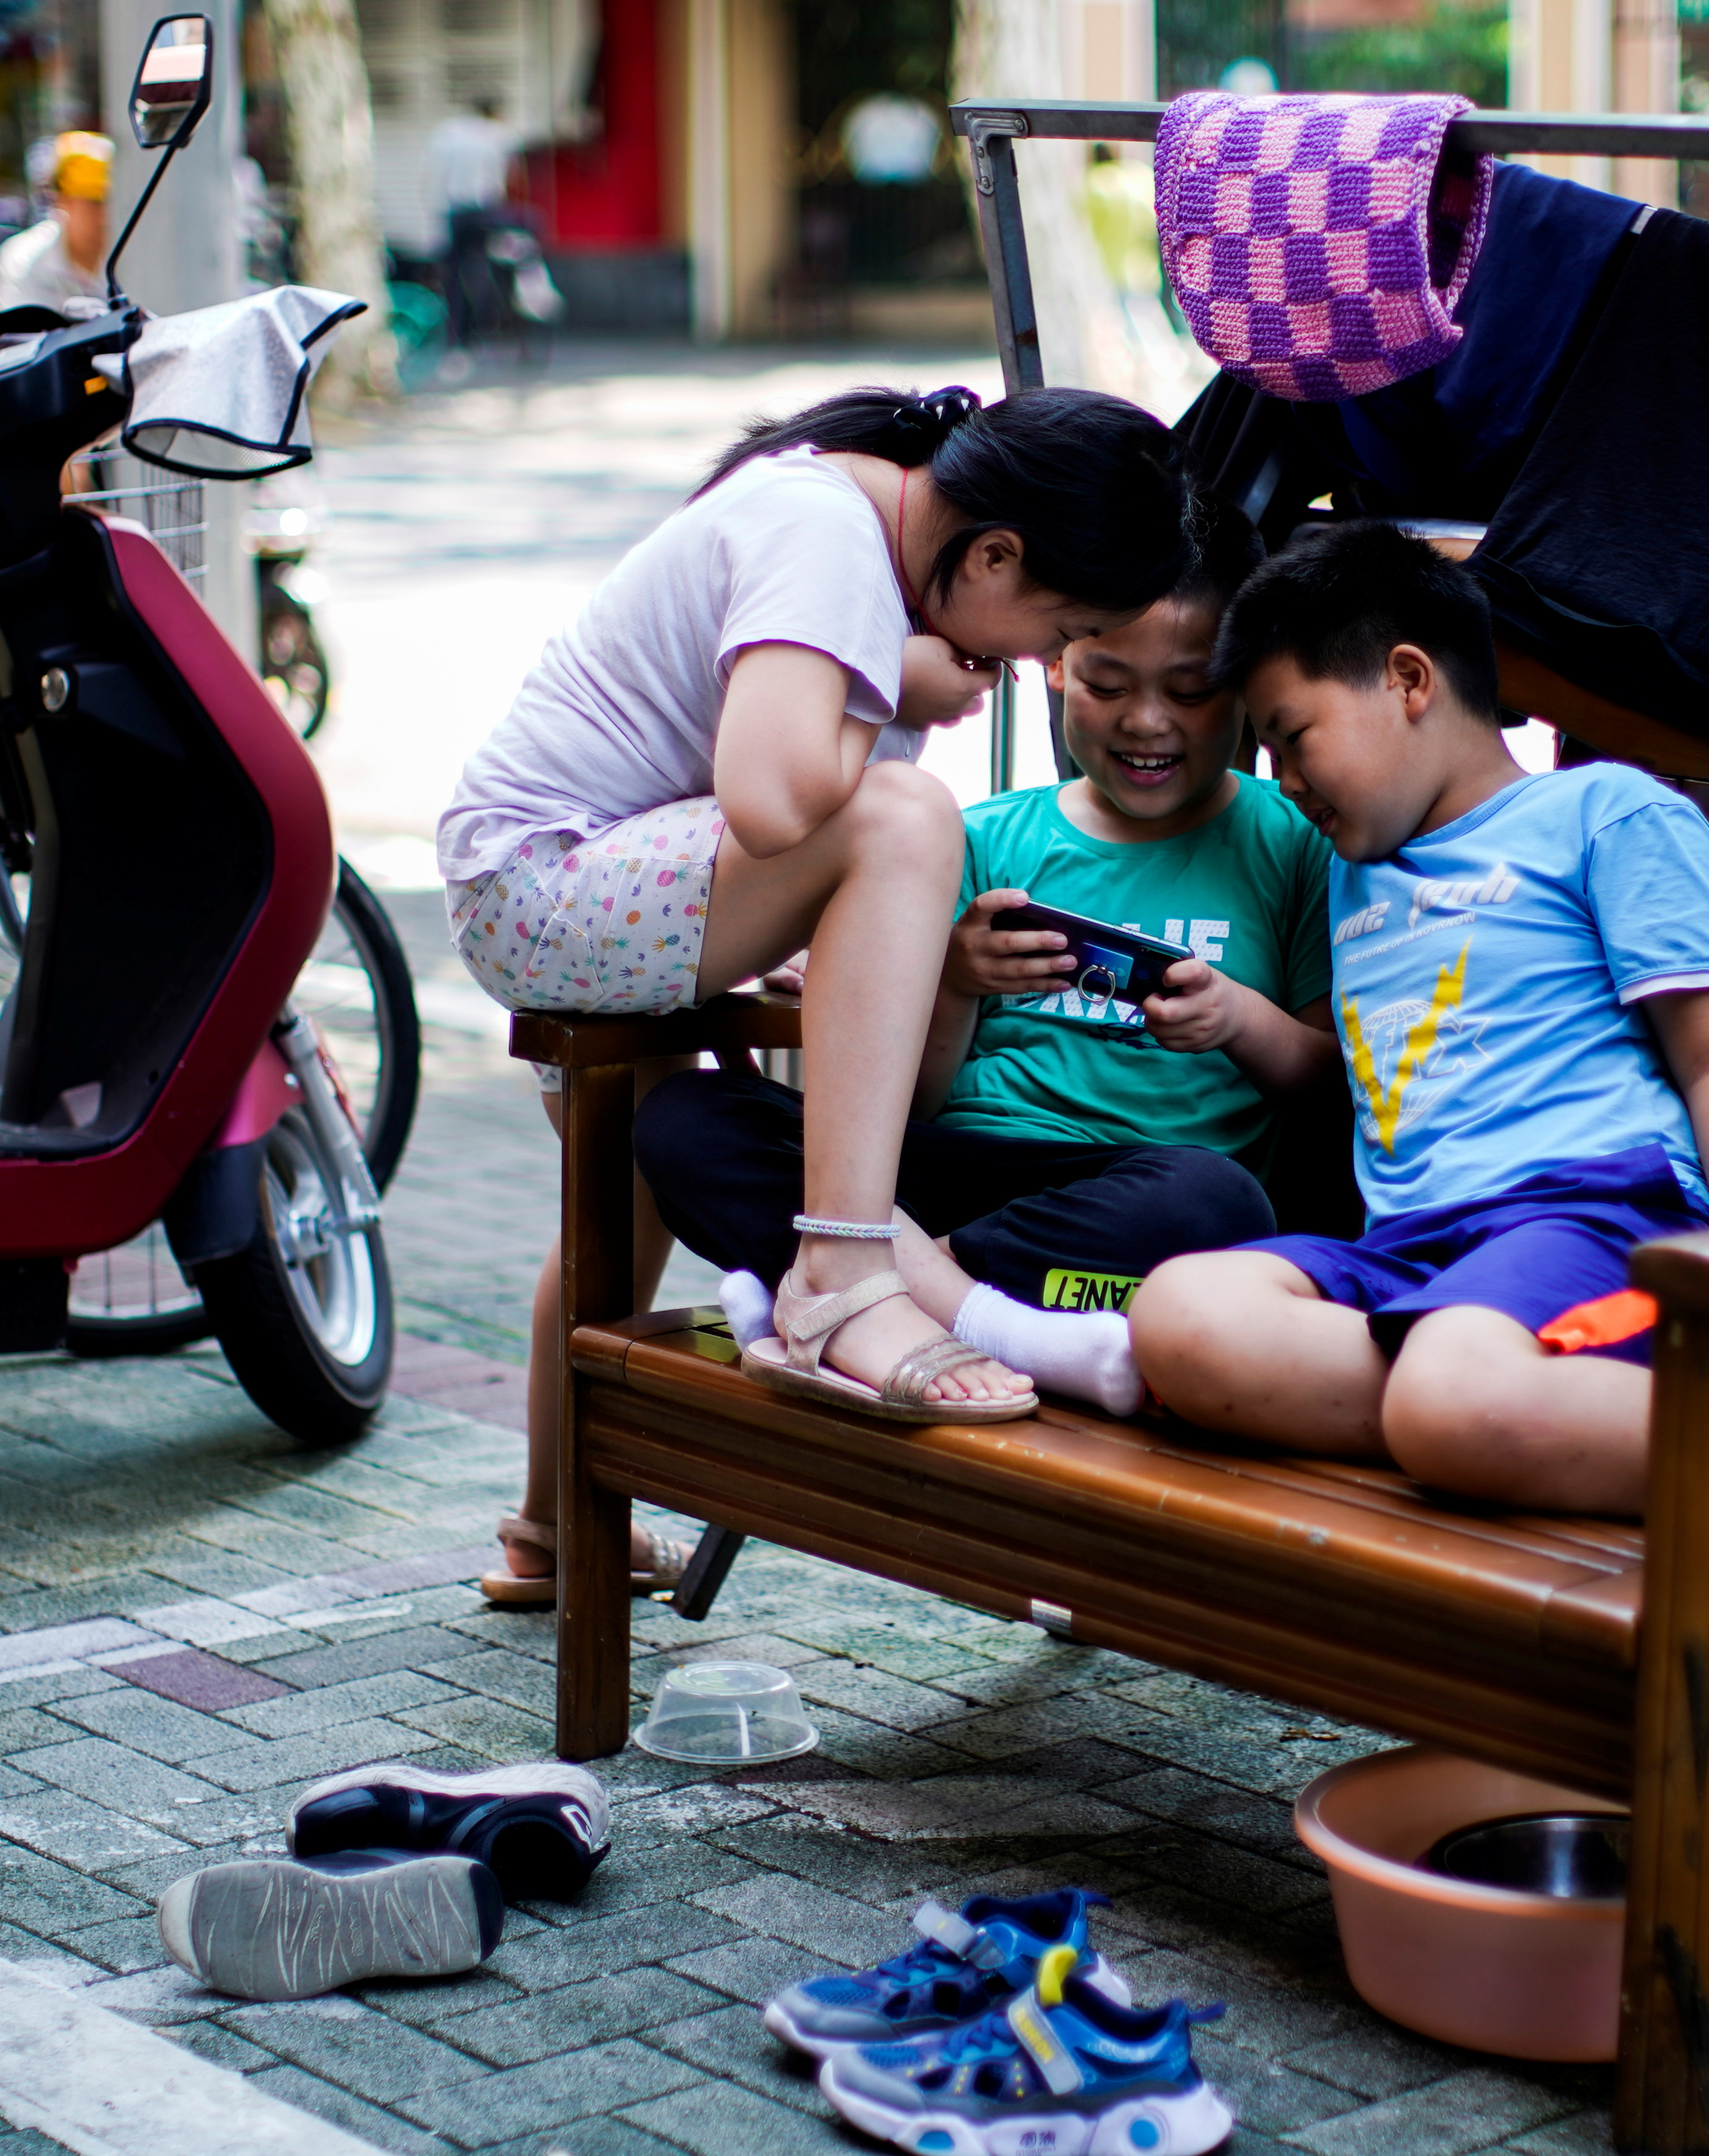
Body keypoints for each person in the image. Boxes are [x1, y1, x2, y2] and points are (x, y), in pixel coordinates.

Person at [442, 382, 1192, 1604]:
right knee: (908, 811)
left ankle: (554, 1530)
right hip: (547, 879)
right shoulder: (828, 532)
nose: (1030, 661)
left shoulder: (861, 531)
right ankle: (842, 1272)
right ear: (993, 552)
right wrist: (900, 685)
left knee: (616, 1198)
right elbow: (776, 799)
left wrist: (799, 909)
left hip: (568, 875)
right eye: (1050, 625)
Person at [1127, 522, 1709, 1523]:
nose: (1285, 782)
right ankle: (1514, 1415)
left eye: (1294, 738)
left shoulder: (1605, 813)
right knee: (1183, 1315)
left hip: (1600, 1220)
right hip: (1417, 1251)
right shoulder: (1353, 870)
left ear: (1410, 681)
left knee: (1452, 1388)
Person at [632, 508, 1337, 1417]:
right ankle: (944, 1306)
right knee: (684, 1119)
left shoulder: (1290, 844)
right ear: (1055, 660)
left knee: (1219, 1203)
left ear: (1238, 681)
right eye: (1108, 682)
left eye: (1191, 688)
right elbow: (905, 1104)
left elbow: (1328, 1086)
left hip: (1122, 1194)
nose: (1148, 721)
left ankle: (867, 1289)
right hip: (946, 1166)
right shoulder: (977, 839)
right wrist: (957, 982)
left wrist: (1239, 1019)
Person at [0, 132, 113, 316]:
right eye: (94, 202)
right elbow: (19, 339)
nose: (105, 215)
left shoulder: (137, 255)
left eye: (110, 202)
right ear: (63, 200)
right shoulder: (23, 261)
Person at [429, 96, 515, 347]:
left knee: (453, 275)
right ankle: (491, 323)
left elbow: (436, 178)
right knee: (488, 267)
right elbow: (502, 179)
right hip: (484, 212)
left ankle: (459, 333)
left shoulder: (448, 133)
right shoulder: (496, 135)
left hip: (454, 212)